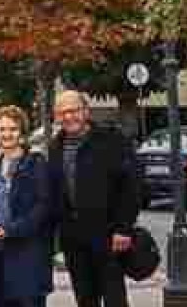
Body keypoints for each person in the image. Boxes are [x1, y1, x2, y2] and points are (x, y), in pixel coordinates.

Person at [45, 91, 140, 307]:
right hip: (73, 237)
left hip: (108, 235)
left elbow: (131, 186)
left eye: (73, 110)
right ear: (56, 117)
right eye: (62, 113)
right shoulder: (55, 147)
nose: (68, 117)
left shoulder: (111, 140)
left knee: (114, 297)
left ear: (86, 111)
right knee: (85, 297)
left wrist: (123, 228)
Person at [0, 106, 53, 307]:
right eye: (2, 129)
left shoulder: (36, 164)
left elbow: (43, 207)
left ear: (22, 133)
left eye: (13, 129)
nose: (6, 134)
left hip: (29, 254)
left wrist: (11, 230)